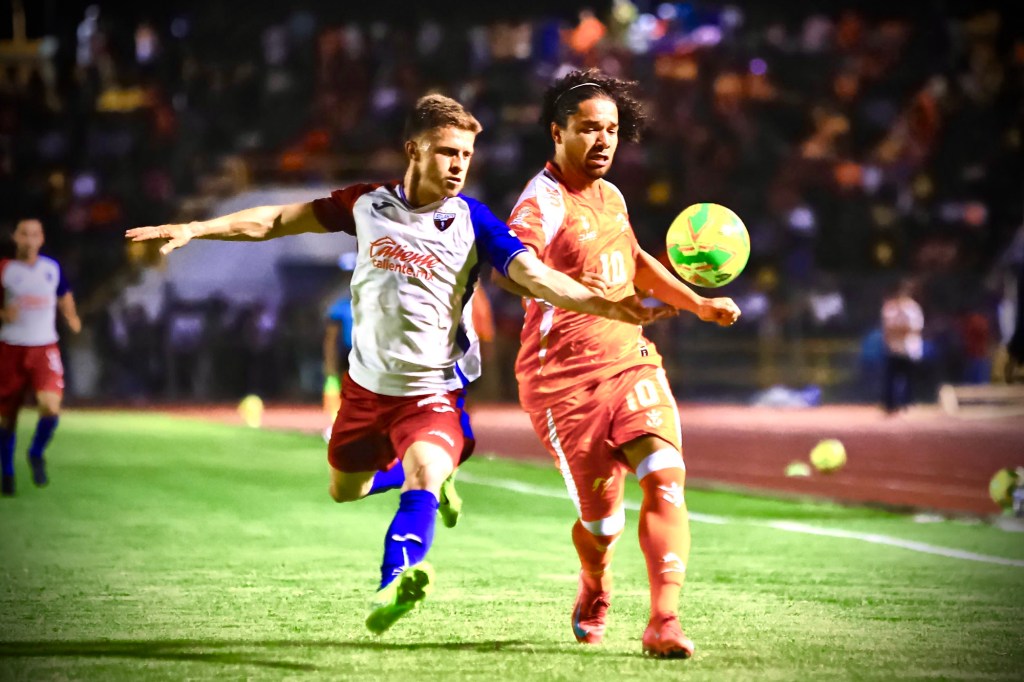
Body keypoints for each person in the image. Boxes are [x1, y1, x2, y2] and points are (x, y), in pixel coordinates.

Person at [126, 94, 671, 635]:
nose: (458, 165)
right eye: (447, 152)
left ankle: (396, 579)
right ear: (414, 150)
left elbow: (536, 276)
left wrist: (607, 304)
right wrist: (195, 228)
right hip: (365, 389)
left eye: (466, 155)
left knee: (424, 475)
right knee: (345, 489)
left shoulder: (473, 221)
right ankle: (431, 484)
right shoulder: (367, 205)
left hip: (433, 391)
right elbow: (276, 219)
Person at [493, 69, 741, 659]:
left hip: (630, 361)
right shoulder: (542, 201)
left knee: (665, 477)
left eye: (610, 129)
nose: (603, 139)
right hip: (562, 381)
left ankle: (664, 620)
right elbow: (513, 268)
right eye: (588, 129)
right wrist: (551, 283)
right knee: (602, 526)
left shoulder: (612, 196)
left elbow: (634, 261)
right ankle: (595, 580)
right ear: (557, 133)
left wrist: (697, 303)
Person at [1, 219, 82, 496]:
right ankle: (7, 473)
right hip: (10, 348)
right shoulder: (5, 269)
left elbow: (64, 294)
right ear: (15, 237)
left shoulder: (51, 268)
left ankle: (35, 452)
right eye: (24, 234)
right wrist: (3, 314)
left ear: (42, 238)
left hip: (44, 347)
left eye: (35, 234)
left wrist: (71, 317)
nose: (29, 240)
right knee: (6, 418)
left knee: (50, 406)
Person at [881, 279, 924, 413]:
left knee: (909, 379)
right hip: (893, 349)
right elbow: (888, 328)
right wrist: (901, 329)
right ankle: (890, 405)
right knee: (891, 378)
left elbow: (915, 328)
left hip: (909, 349)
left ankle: (908, 403)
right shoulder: (890, 308)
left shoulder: (913, 308)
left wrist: (899, 330)